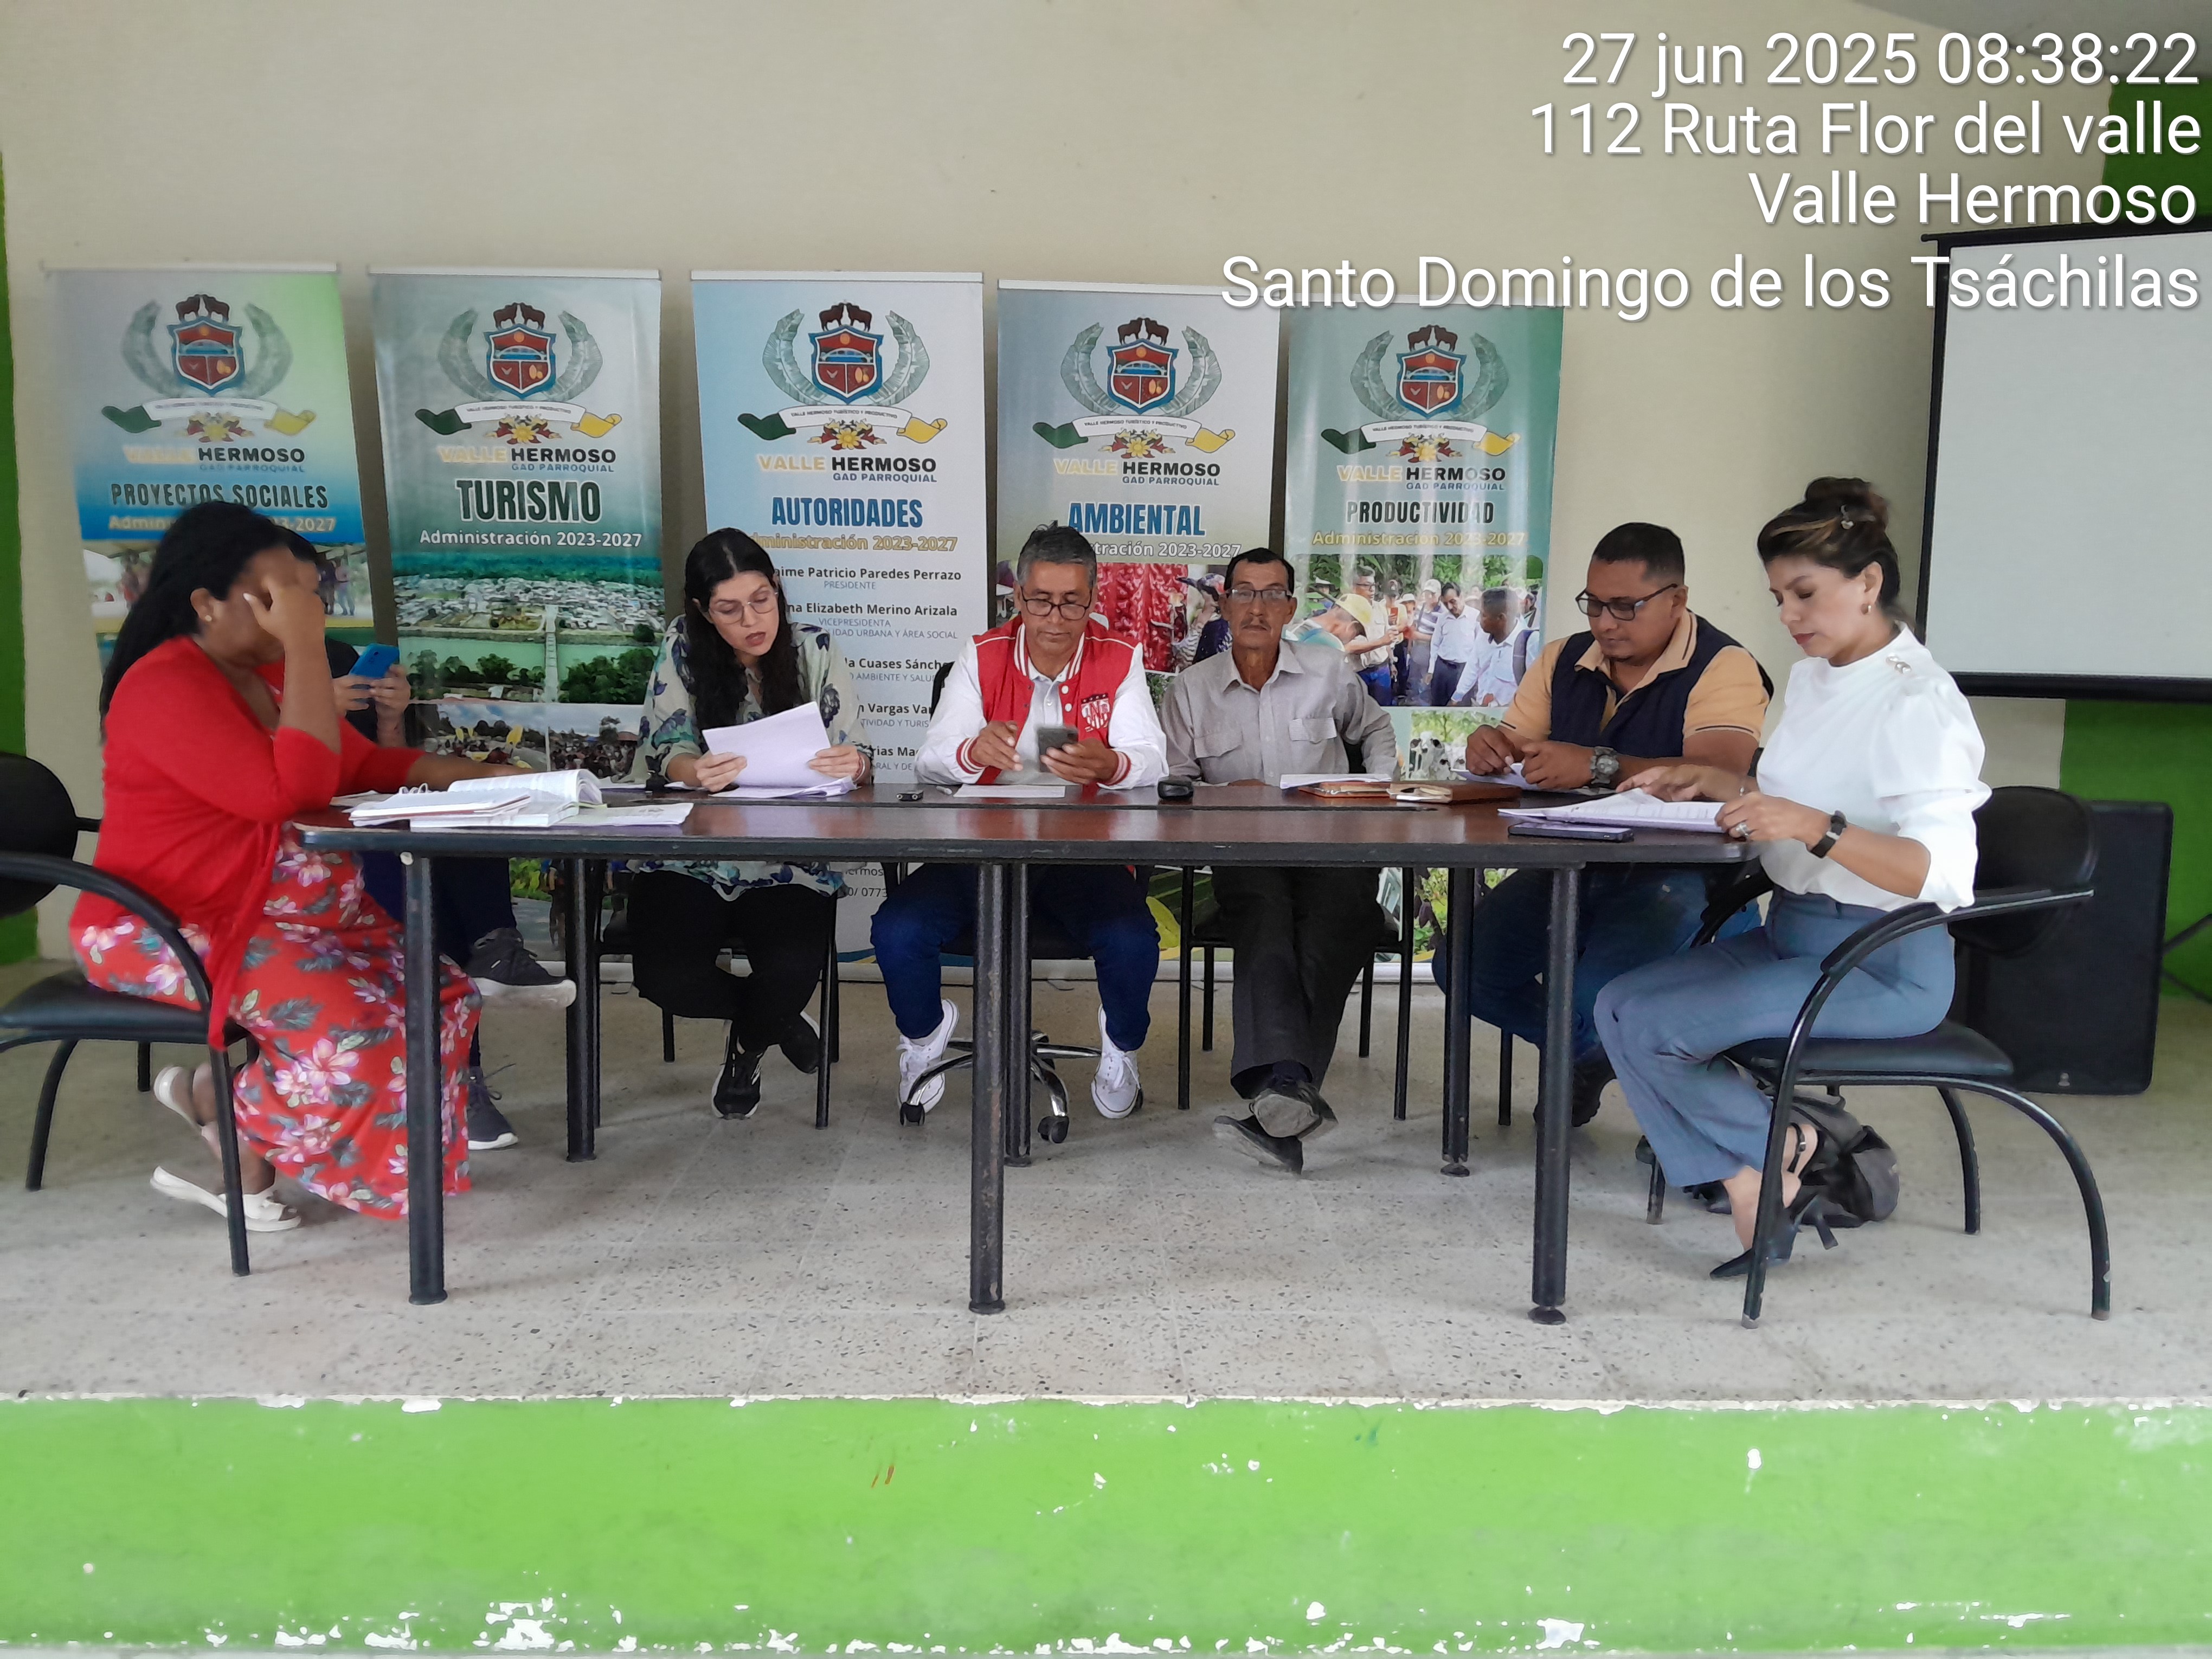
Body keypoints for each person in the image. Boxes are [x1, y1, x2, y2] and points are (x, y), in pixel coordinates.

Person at [70, 501, 525, 1231]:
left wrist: (489, 779)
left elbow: (363, 764)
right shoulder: (165, 687)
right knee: (355, 1027)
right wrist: (311, 646)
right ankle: (233, 1118)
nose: (302, 613)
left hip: (287, 915)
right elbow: (294, 791)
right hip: (170, 925)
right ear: (207, 604)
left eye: (308, 598)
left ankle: (228, 1120)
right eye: (279, 598)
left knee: (439, 994)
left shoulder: (275, 674)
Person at [1595, 479, 1988, 1276]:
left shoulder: (1918, 701)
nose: (1788, 615)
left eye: (1804, 594)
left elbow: (1942, 871)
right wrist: (1714, 783)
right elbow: (1791, 794)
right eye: (1779, 597)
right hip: (1795, 933)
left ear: (1869, 583)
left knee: (1662, 1031)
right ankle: (1758, 1168)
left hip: (1880, 962)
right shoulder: (1815, 677)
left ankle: (1774, 1151)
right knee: (1617, 1004)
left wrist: (1817, 828)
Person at [1444, 522, 1772, 1123]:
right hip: (1570, 863)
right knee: (1462, 967)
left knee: (1595, 996)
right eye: (1594, 604)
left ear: (1677, 599)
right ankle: (1596, 1054)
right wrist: (1491, 747)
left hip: (1679, 876)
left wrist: (1597, 764)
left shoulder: (1724, 665)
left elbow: (1717, 775)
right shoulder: (1561, 659)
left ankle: (1610, 1052)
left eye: (1625, 606)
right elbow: (1517, 743)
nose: (1605, 622)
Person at [875, 524, 1165, 1119]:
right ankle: (924, 1036)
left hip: (1082, 856)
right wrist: (971, 752)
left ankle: (1121, 1046)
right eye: (1040, 601)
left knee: (1132, 940)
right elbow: (930, 760)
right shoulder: (982, 655)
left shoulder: (1120, 657)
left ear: (1093, 598)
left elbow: (1153, 761)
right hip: (983, 852)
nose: (1055, 619)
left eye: (1072, 603)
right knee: (898, 931)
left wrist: (1111, 764)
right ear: (1017, 598)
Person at [308, 535, 572, 1154]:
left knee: (462, 827)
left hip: (368, 823)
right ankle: (463, 1072)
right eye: (304, 595)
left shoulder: (338, 657)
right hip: (312, 844)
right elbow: (288, 781)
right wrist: (314, 713)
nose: (317, 608)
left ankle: (496, 953)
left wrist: (391, 719)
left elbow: (382, 768)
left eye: (318, 596)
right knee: (418, 898)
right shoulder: (243, 683)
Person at [1161, 549, 1396, 1174]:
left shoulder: (1328, 671)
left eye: (1272, 594)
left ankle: (1282, 1096)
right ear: (1224, 604)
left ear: (1291, 608)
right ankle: (1289, 1088)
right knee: (1265, 916)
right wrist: (1221, 796)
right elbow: (1174, 785)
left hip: (1333, 848)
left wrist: (1375, 791)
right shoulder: (1191, 690)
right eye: (1244, 593)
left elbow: (1375, 732)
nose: (1257, 608)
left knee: (1333, 922)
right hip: (1244, 852)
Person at [627, 529, 872, 1119]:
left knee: (790, 969)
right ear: (702, 611)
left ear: (777, 589)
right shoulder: (683, 645)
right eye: (729, 610)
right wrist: (693, 770)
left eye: (762, 600)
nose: (751, 621)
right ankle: (775, 1020)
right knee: (665, 977)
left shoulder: (814, 648)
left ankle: (749, 1044)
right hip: (693, 850)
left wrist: (855, 763)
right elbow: (665, 749)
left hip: (789, 850)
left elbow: (857, 753)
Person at [1336, 568, 1400, 705]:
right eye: (1366, 585)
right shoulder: (1346, 611)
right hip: (1358, 672)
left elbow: (1387, 639)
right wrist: (1381, 641)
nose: (1372, 590)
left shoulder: (1380, 608)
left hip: (1381, 669)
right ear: (1354, 587)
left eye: (1374, 585)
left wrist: (1392, 663)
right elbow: (1349, 647)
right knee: (1359, 710)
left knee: (1383, 709)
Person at [1425, 582, 1483, 705]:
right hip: (1442, 668)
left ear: (1461, 596)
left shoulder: (1475, 617)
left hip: (1463, 670)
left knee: (1460, 708)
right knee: (1437, 707)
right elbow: (1435, 644)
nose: (1450, 607)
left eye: (1453, 602)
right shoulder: (1443, 618)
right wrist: (1431, 669)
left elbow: (1480, 648)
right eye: (1446, 604)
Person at [1467, 587, 1523, 707]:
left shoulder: (1527, 646)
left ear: (1501, 618)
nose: (1479, 619)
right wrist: (1457, 697)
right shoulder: (1483, 637)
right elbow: (1472, 668)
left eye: (1483, 615)